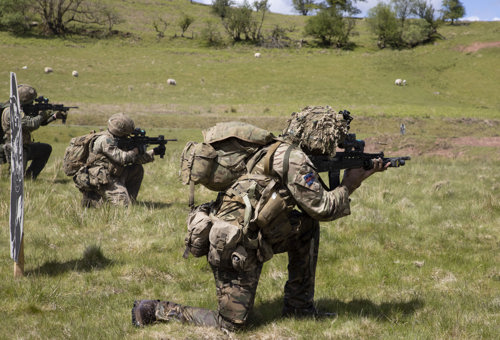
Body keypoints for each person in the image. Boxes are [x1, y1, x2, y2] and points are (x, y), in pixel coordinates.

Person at [131, 106, 389, 331]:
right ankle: (153, 310)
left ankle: (299, 308)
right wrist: (351, 183)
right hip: (234, 245)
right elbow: (323, 207)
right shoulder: (295, 159)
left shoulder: (276, 149)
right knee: (230, 325)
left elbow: (310, 210)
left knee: (306, 226)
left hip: (255, 234)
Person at [74, 113, 163, 207]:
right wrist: (136, 150)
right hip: (102, 179)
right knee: (124, 206)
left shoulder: (119, 140)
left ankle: (130, 199)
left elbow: (134, 160)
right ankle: (93, 199)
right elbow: (123, 158)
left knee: (137, 169)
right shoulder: (105, 140)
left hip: (115, 174)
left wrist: (153, 152)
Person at [1, 84, 63, 179]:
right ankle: (12, 180)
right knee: (16, 179)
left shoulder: (20, 110)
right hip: (14, 147)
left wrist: (53, 117)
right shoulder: (11, 111)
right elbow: (31, 124)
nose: (32, 103)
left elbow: (38, 122)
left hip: (24, 146)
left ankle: (29, 178)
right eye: (31, 102)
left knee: (45, 149)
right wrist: (42, 115)